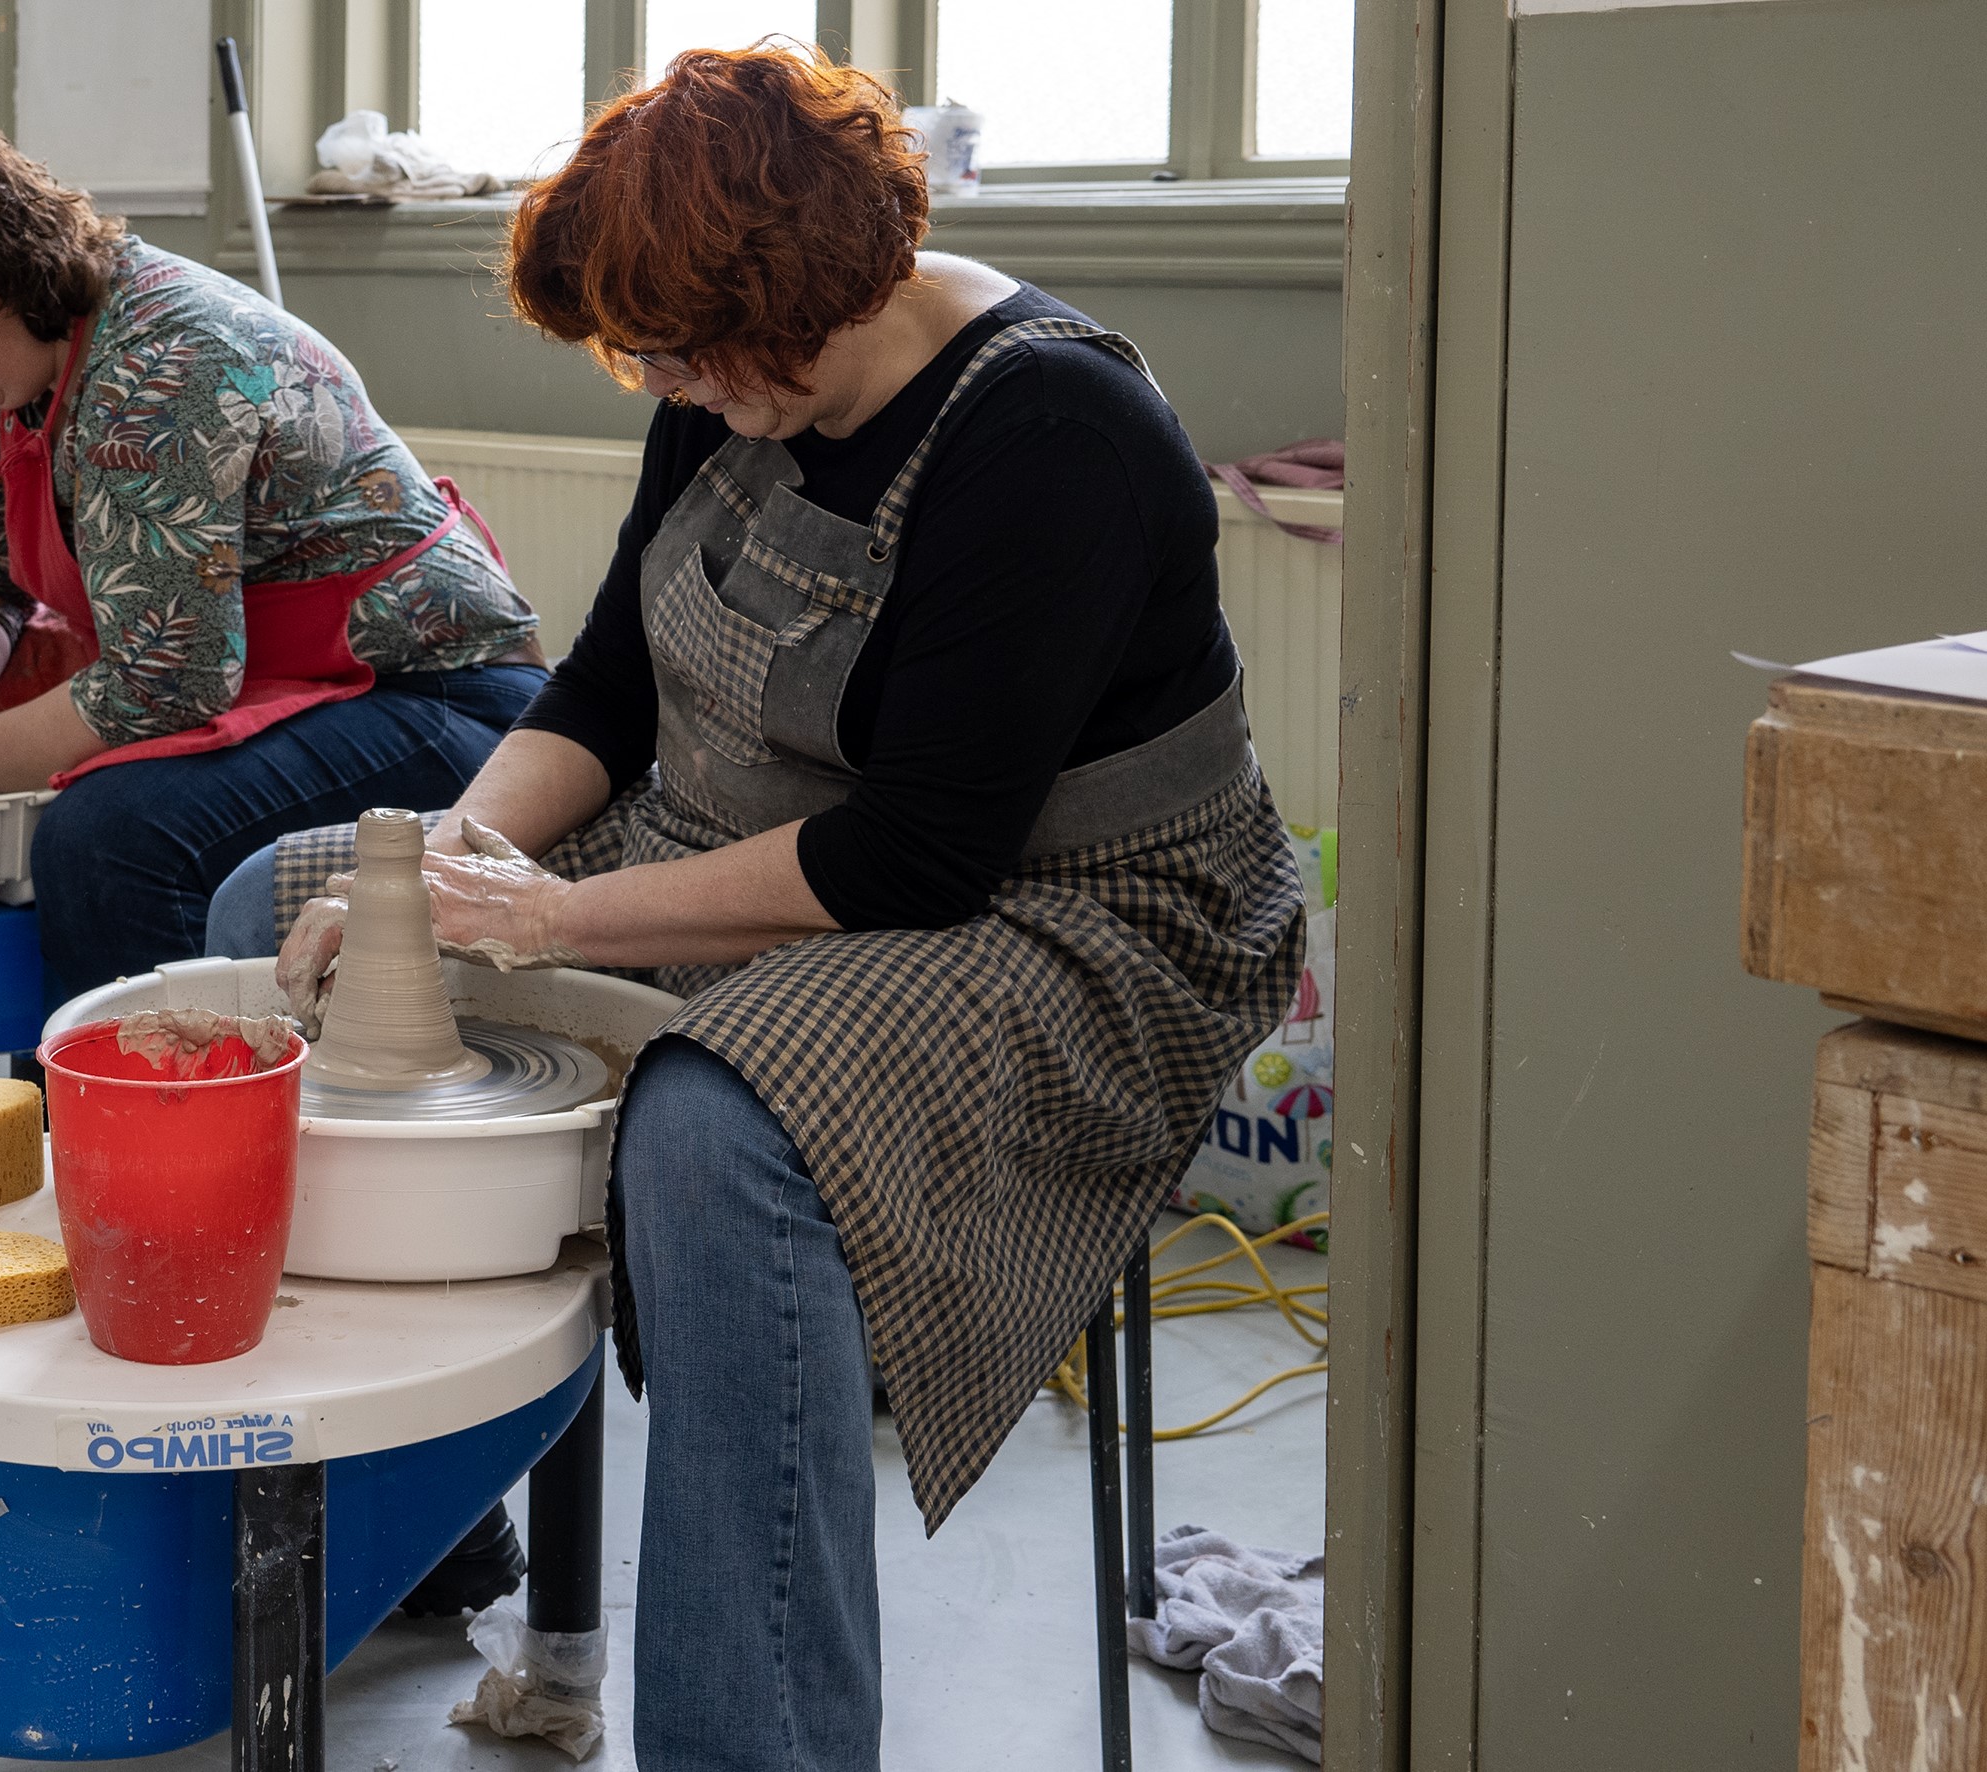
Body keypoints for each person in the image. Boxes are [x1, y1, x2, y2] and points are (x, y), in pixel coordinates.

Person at [210, 45, 1306, 1769]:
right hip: (765, 819)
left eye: (677, 355)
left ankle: (752, 1744)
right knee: (265, 915)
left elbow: (913, 863)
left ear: (795, 295)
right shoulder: (736, 371)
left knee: (716, 1129)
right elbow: (604, 695)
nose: (658, 383)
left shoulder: (1053, 436)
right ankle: (432, 1537)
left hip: (1079, 908)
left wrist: (547, 927)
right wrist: (441, 869)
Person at [0, 122, 545, 1223]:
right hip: (248, 664)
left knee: (109, 837)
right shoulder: (4, 371)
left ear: (0, 271)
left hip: (438, 692)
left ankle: (149, 1183)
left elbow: (167, 683)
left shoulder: (167, 359)